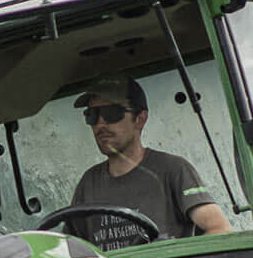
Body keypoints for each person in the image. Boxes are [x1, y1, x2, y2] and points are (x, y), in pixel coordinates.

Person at [66, 75, 231, 248]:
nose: (100, 124)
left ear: (140, 119)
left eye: (111, 113)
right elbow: (67, 249)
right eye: (92, 115)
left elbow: (220, 229)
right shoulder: (88, 183)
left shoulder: (173, 170)